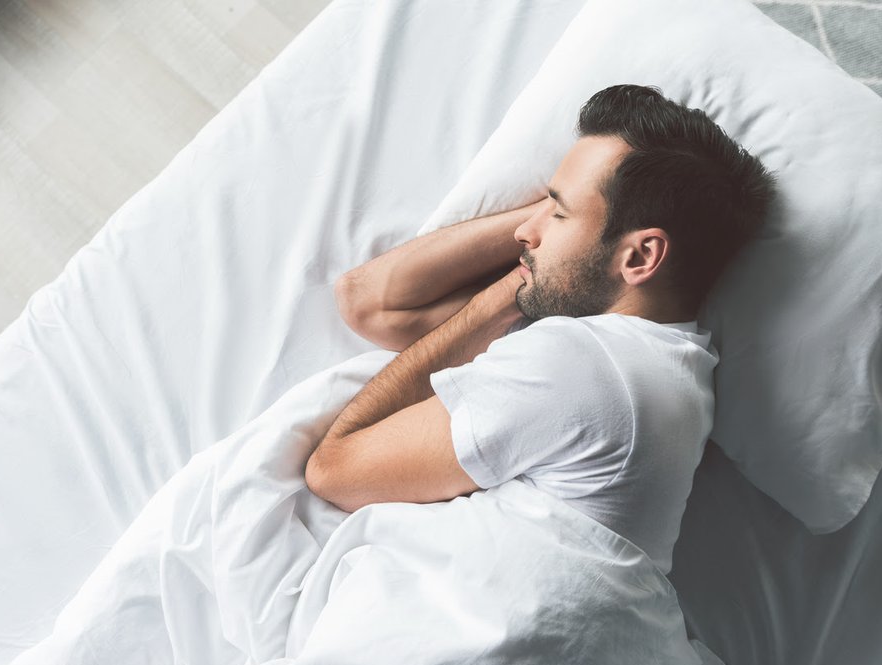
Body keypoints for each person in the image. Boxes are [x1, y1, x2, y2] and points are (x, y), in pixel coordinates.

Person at [305, 84, 777, 575]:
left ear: (639, 256)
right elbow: (369, 301)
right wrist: (548, 257)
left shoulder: (579, 365)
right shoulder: (666, 367)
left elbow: (333, 470)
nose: (522, 233)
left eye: (557, 211)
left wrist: (538, 270)